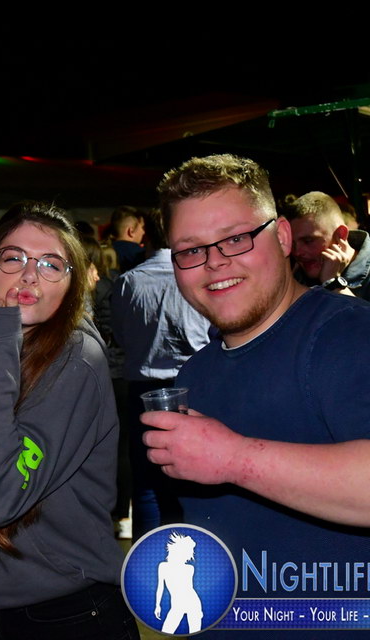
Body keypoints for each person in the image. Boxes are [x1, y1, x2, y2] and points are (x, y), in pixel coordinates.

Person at [142, 154, 370, 637]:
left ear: (283, 237)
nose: (214, 262)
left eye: (236, 238)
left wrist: (233, 458)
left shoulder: (348, 335)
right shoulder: (196, 372)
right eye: (190, 249)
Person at [0, 201, 139, 640]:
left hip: (71, 611)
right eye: (13, 258)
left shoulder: (77, 362)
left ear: (70, 288)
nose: (29, 275)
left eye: (51, 264)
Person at [111, 210, 211, 538]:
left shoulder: (128, 281)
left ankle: (148, 560)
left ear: (147, 236)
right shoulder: (195, 275)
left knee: (147, 484)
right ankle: (196, 553)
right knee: (192, 481)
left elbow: (121, 337)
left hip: (143, 389)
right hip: (190, 384)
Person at [285, 191, 370, 299]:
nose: (297, 252)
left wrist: (333, 284)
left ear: (340, 234)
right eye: (292, 244)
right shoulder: (298, 276)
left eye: (308, 241)